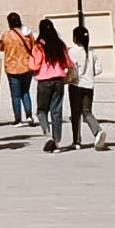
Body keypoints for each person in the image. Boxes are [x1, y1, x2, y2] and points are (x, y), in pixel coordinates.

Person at [32, 18, 73, 151]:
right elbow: (68, 63)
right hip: (59, 80)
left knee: (42, 110)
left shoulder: (39, 46)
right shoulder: (60, 44)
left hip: (44, 81)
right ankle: (56, 141)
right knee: (56, 111)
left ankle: (47, 134)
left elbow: (34, 65)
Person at [67, 24, 109, 151]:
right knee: (87, 112)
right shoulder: (92, 52)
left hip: (76, 85)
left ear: (75, 38)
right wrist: (89, 74)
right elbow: (98, 69)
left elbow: (71, 68)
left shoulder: (72, 52)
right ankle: (97, 131)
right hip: (89, 86)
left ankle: (77, 141)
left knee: (75, 114)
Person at [0, 12, 37, 125]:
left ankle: (18, 119)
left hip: (12, 68)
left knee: (15, 95)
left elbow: (1, 48)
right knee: (25, 92)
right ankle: (29, 116)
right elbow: (34, 46)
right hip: (27, 66)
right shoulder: (27, 33)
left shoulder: (6, 35)